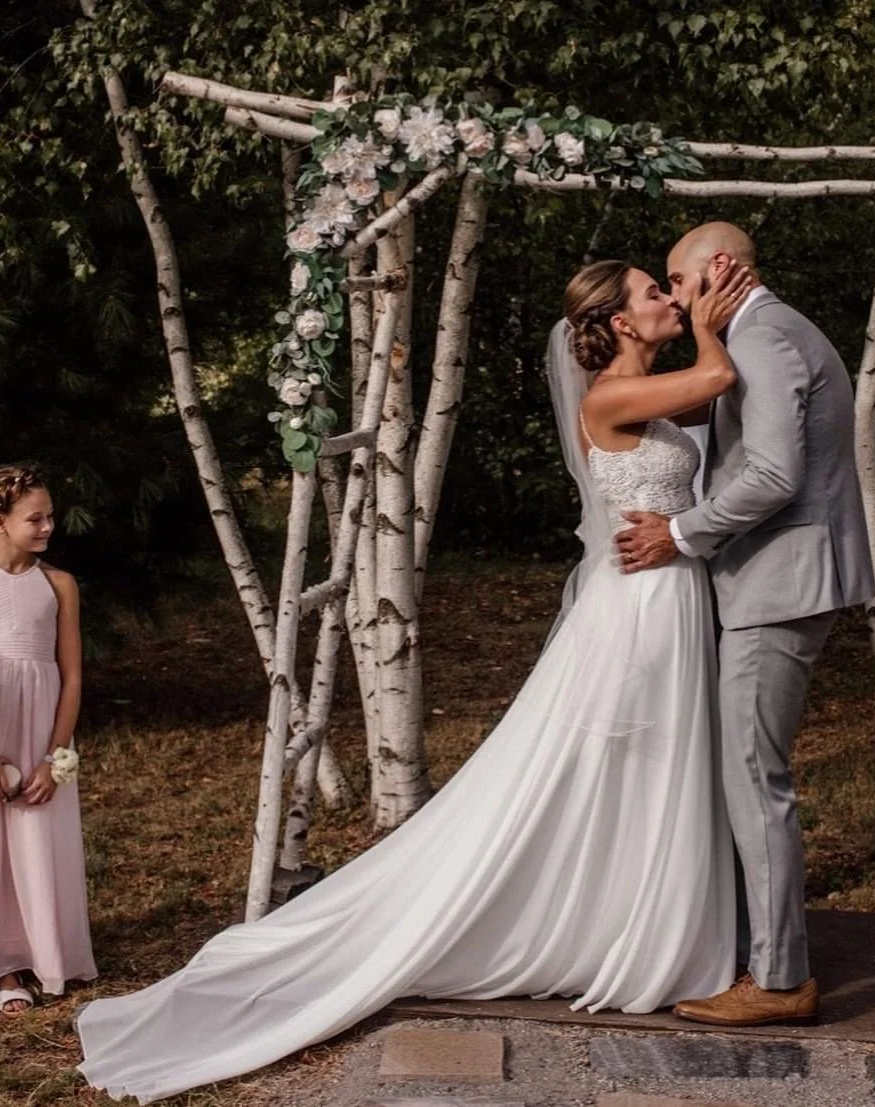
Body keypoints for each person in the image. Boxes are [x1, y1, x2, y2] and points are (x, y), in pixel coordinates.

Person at [75, 258, 751, 1104]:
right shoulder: (607, 398)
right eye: (657, 292)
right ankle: (624, 925)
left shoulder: (645, 389)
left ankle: (634, 918)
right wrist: (715, 317)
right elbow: (718, 375)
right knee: (621, 760)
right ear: (617, 321)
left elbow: (708, 396)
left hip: (661, 592)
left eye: (671, 289)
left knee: (644, 766)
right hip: (640, 608)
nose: (672, 300)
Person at [617, 222, 875, 1027]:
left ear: (718, 267)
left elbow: (770, 473)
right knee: (743, 768)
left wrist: (680, 533)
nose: (673, 292)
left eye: (677, 278)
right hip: (770, 580)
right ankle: (750, 948)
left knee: (752, 775)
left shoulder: (764, 335)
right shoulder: (759, 331)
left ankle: (779, 977)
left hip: (780, 585)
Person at [0, 465, 96, 1016]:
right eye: (36, 518)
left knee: (29, 843)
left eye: (50, 516)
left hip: (38, 732)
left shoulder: (59, 585)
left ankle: (14, 965)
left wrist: (57, 759)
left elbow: (71, 675)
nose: (49, 525)